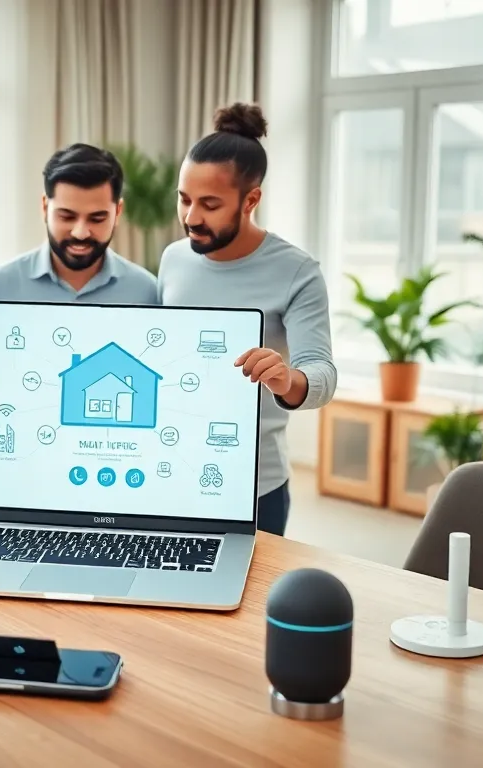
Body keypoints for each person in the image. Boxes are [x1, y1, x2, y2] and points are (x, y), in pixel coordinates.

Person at [157, 103, 337, 536]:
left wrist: (285, 379)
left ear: (251, 200)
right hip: (170, 470)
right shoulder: (173, 259)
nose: (191, 218)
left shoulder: (297, 271)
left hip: (257, 486)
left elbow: (323, 375)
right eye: (184, 200)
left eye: (210, 204)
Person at [0, 143, 159, 304]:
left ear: (118, 212)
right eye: (67, 217)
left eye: (97, 219)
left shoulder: (147, 292)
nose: (80, 233)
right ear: (45, 208)